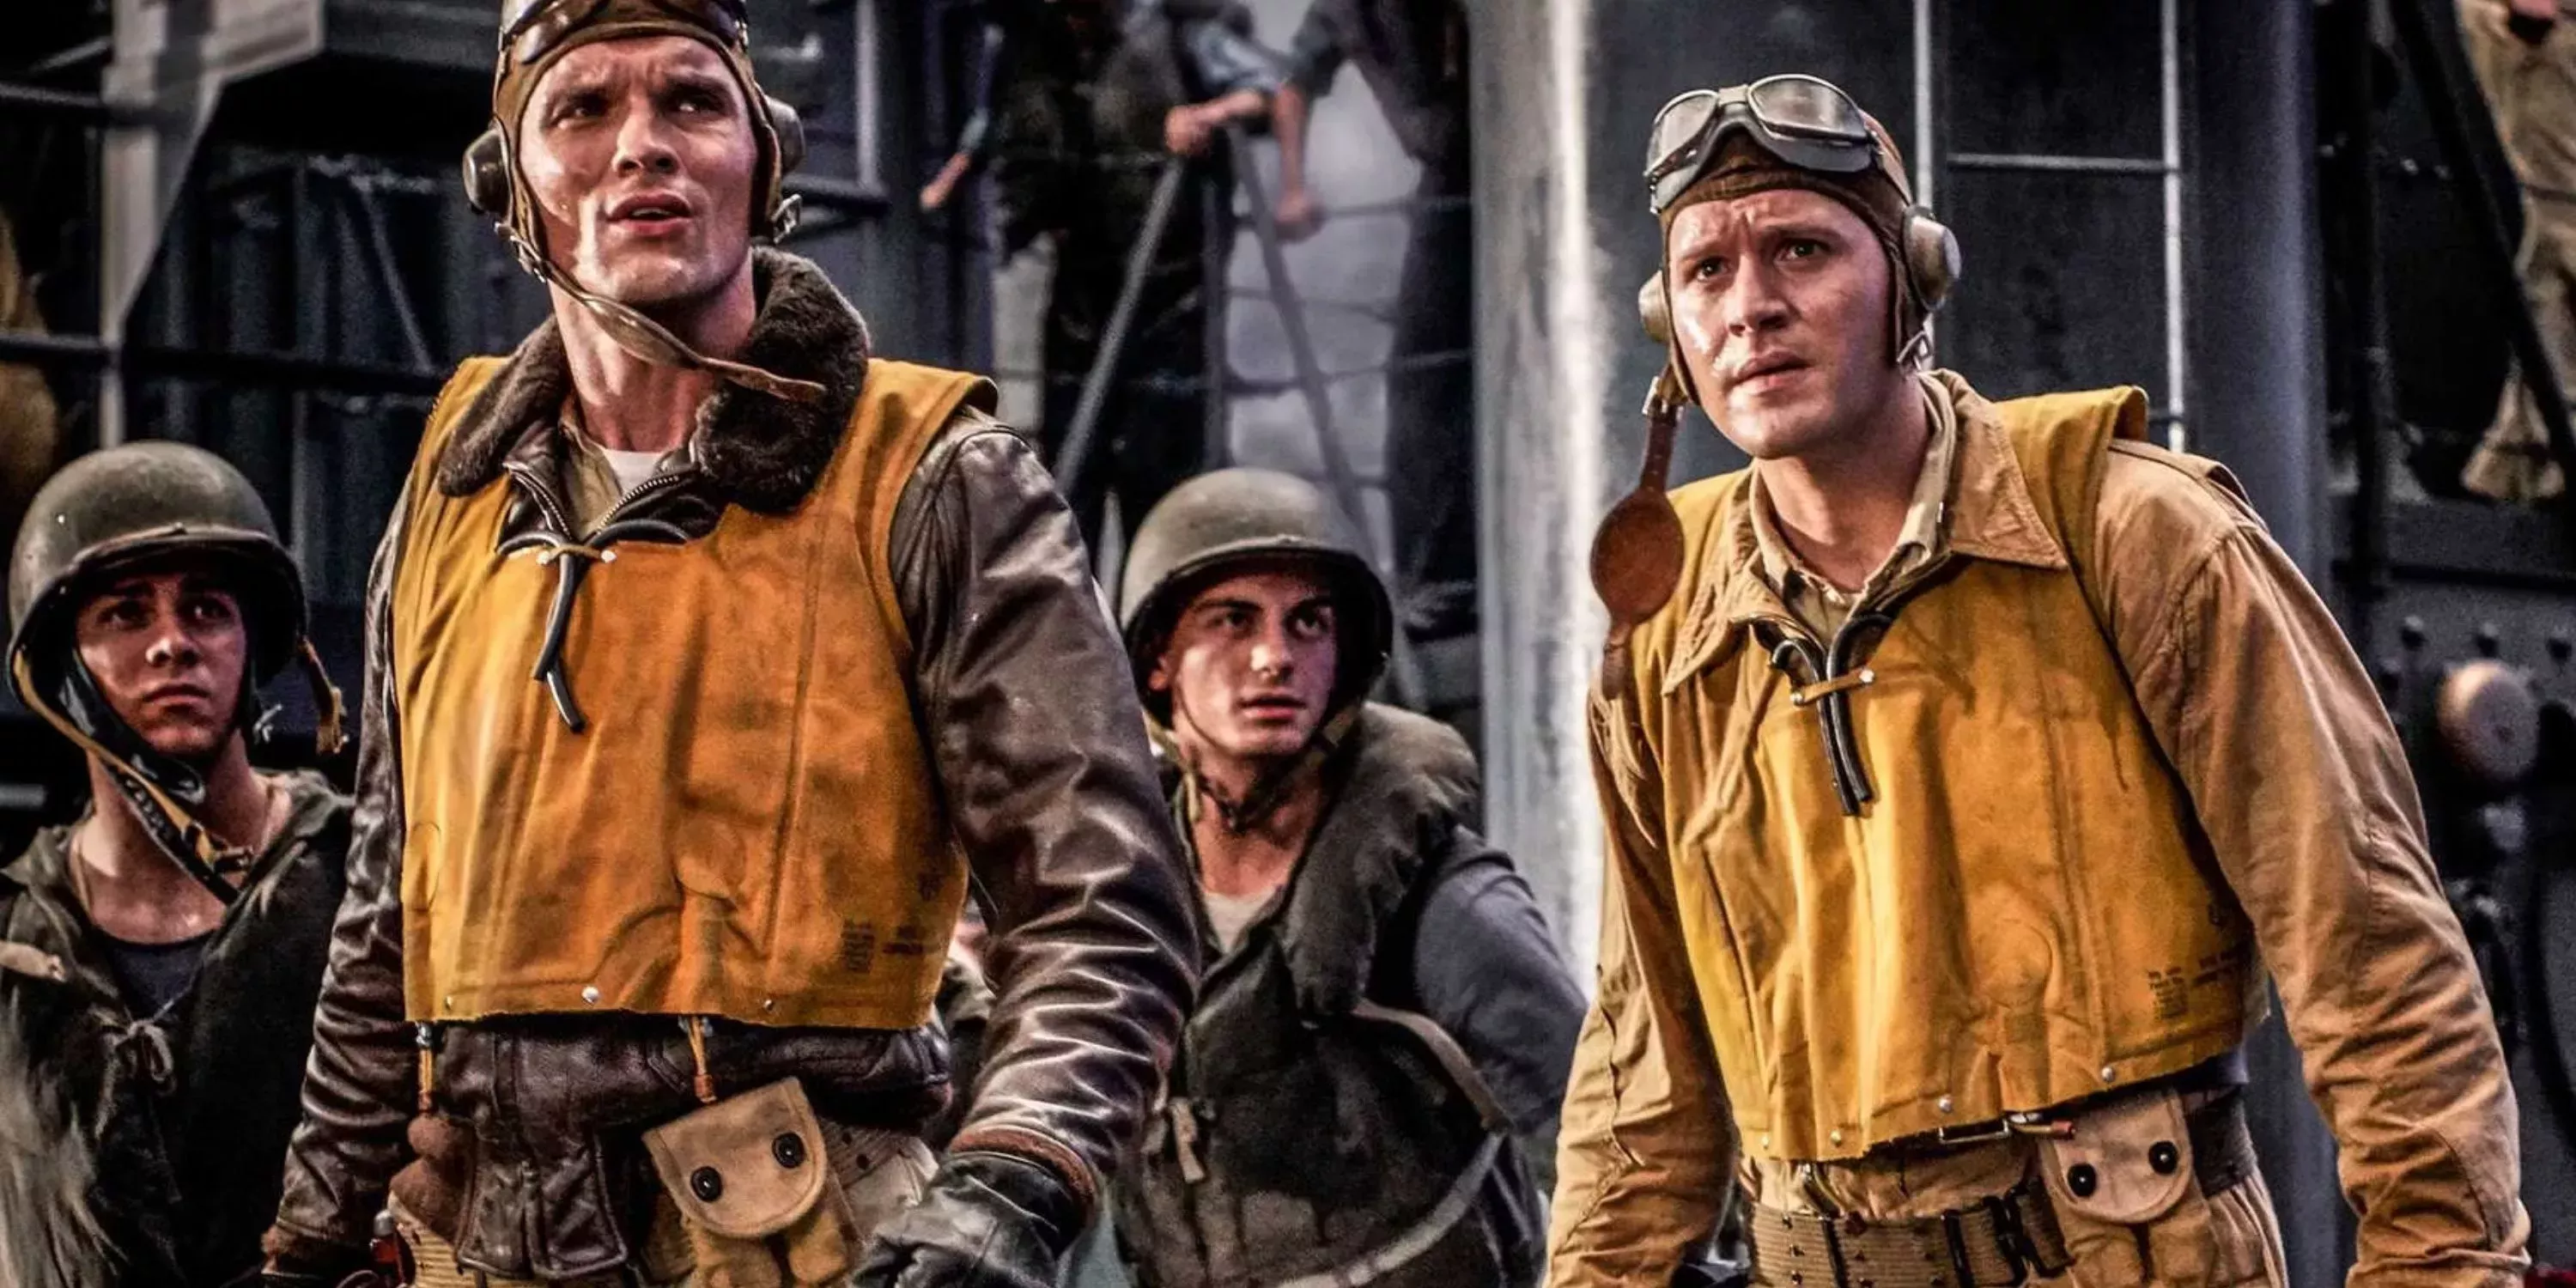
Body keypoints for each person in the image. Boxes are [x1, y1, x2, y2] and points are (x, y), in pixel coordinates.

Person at [258, 2, 1197, 1284]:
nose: (643, 144)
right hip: (479, 1241)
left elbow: (1106, 901)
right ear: (510, 185)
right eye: (581, 108)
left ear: (763, 160)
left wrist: (1014, 1180)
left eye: (691, 101)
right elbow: (385, 920)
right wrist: (310, 1241)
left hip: (802, 1244)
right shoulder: (453, 493)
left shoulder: (926, 480)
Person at [1552, 76, 2530, 1285]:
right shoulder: (1665, 624)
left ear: (1912, 277)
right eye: (1705, 271)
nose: (1751, 306)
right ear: (1670, 324)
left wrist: (2443, 1267)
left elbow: (2371, 954)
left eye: (1802, 249)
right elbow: (1641, 1069)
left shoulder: (2133, 535)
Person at [1108, 468, 1583, 1287]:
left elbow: (1611, 1156)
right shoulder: (1120, 897)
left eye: (1309, 623)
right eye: (1232, 620)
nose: (1274, 657)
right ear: (1158, 661)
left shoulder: (1443, 903)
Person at [0, 442, 352, 1286]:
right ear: (61, 671)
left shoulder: (368, 883)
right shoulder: (13, 935)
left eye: (206, 611)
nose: (172, 645)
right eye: (125, 614)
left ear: (252, 640)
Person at [920, 0, 1279, 554]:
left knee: (1159, 472)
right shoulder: (1033, 38)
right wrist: (948, 183)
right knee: (1068, 470)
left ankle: (1154, 617)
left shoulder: (1176, 25)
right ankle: (1071, 619)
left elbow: (1265, 93)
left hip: (1169, 293)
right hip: (1079, 287)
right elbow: (992, 121)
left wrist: (1207, 115)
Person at [1271, 0, 1476, 642]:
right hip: (1450, 175)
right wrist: (1293, 185)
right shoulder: (1344, 7)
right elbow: (1294, 83)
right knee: (1421, 377)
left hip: (1499, 162)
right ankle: (1435, 578)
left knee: (1449, 372)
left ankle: (1451, 574)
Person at [2459, 0, 2576, 501]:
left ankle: (2518, 460)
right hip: (2538, 36)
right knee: (2563, 222)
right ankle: (2534, 457)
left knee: (2561, 235)